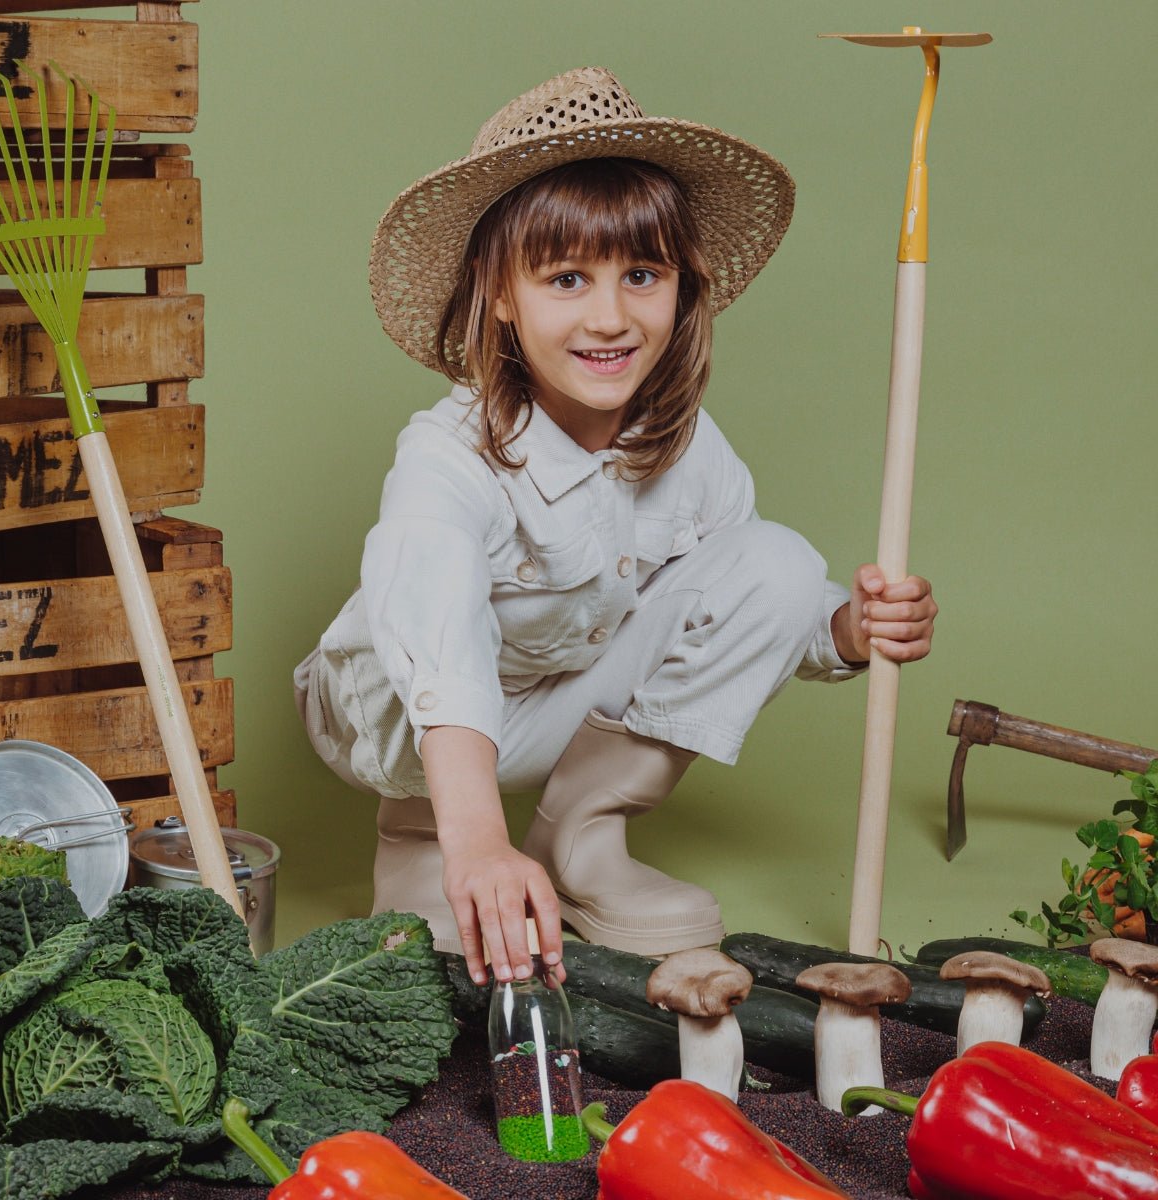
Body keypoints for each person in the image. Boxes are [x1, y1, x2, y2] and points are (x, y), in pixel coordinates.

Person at [295, 67, 937, 991]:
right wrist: (477, 843)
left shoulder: (687, 445)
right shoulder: (450, 452)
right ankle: (429, 845)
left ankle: (581, 835)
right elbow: (432, 634)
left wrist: (848, 631)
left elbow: (734, 600)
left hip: (555, 696)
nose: (610, 318)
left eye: (641, 275)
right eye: (566, 279)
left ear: (683, 288)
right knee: (442, 641)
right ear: (501, 293)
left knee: (782, 565)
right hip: (392, 720)